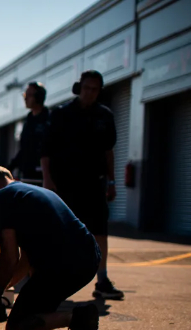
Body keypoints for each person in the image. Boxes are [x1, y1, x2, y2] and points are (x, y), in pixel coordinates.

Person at [0, 166, 101, 330]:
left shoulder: (1, 198)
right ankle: (42, 323)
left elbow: (9, 257)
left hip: (62, 266)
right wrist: (1, 289)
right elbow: (25, 261)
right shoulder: (32, 193)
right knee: (35, 296)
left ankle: (77, 318)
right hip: (88, 259)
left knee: (15, 329)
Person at [42, 70, 123, 300]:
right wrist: (48, 179)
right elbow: (46, 150)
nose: (90, 93)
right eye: (86, 88)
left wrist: (112, 181)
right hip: (64, 184)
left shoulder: (104, 116)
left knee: (100, 232)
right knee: (61, 232)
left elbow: (109, 152)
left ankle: (103, 280)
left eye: (95, 89)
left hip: (94, 184)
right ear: (79, 88)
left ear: (100, 91)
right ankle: (54, 280)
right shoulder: (61, 114)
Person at [8, 82, 48, 181]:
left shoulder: (49, 120)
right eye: (25, 95)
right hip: (26, 173)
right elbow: (24, 148)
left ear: (39, 97)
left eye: (29, 95)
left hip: (42, 175)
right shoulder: (28, 120)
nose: (25, 98)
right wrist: (9, 168)